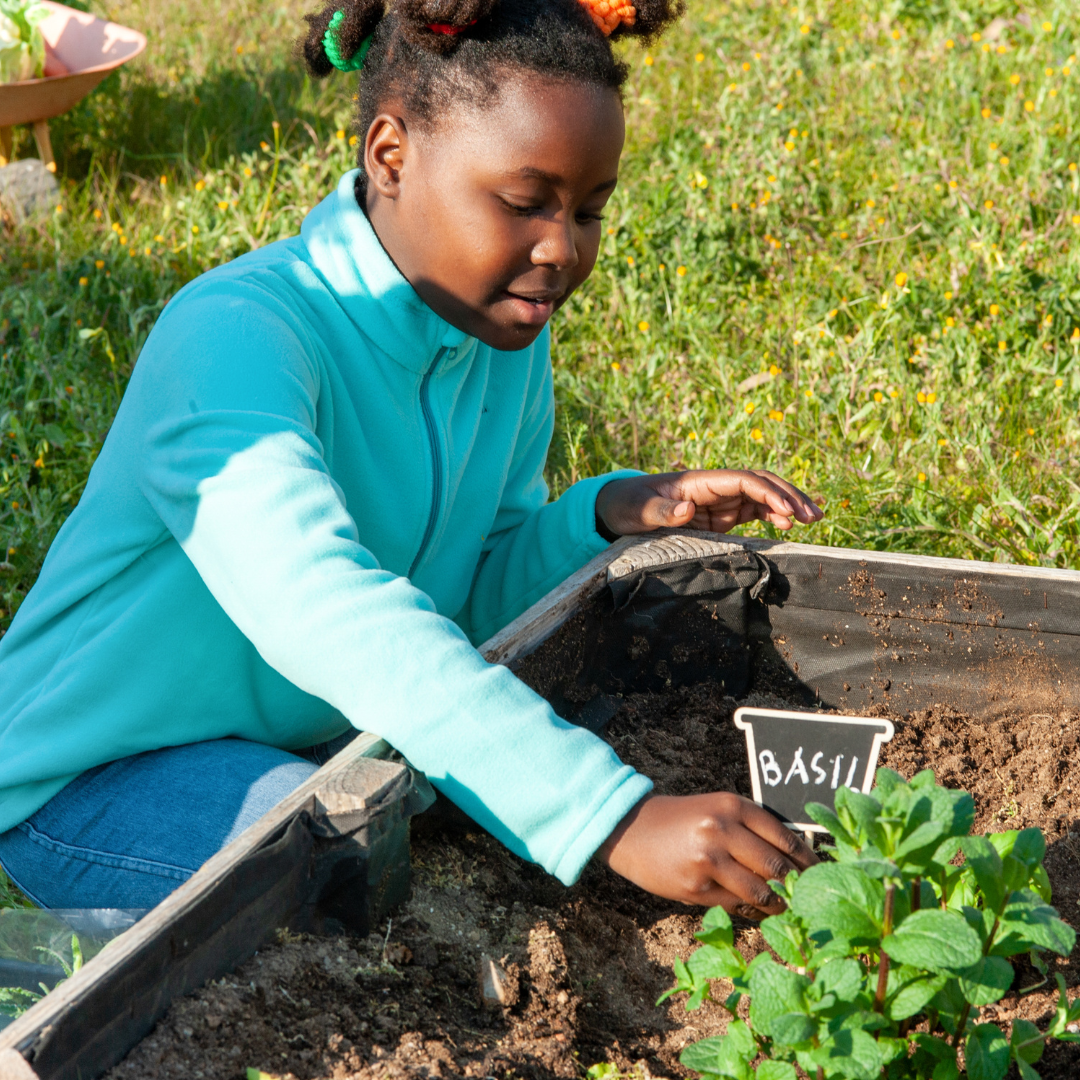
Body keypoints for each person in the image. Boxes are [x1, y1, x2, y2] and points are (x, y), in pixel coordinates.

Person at [0, 0, 820, 919]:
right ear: (390, 155)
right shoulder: (237, 337)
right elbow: (327, 611)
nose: (563, 250)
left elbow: (462, 597)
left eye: (590, 210)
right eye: (524, 203)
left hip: (317, 741)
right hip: (91, 779)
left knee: (414, 816)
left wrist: (602, 516)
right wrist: (613, 817)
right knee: (347, 873)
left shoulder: (498, 340)